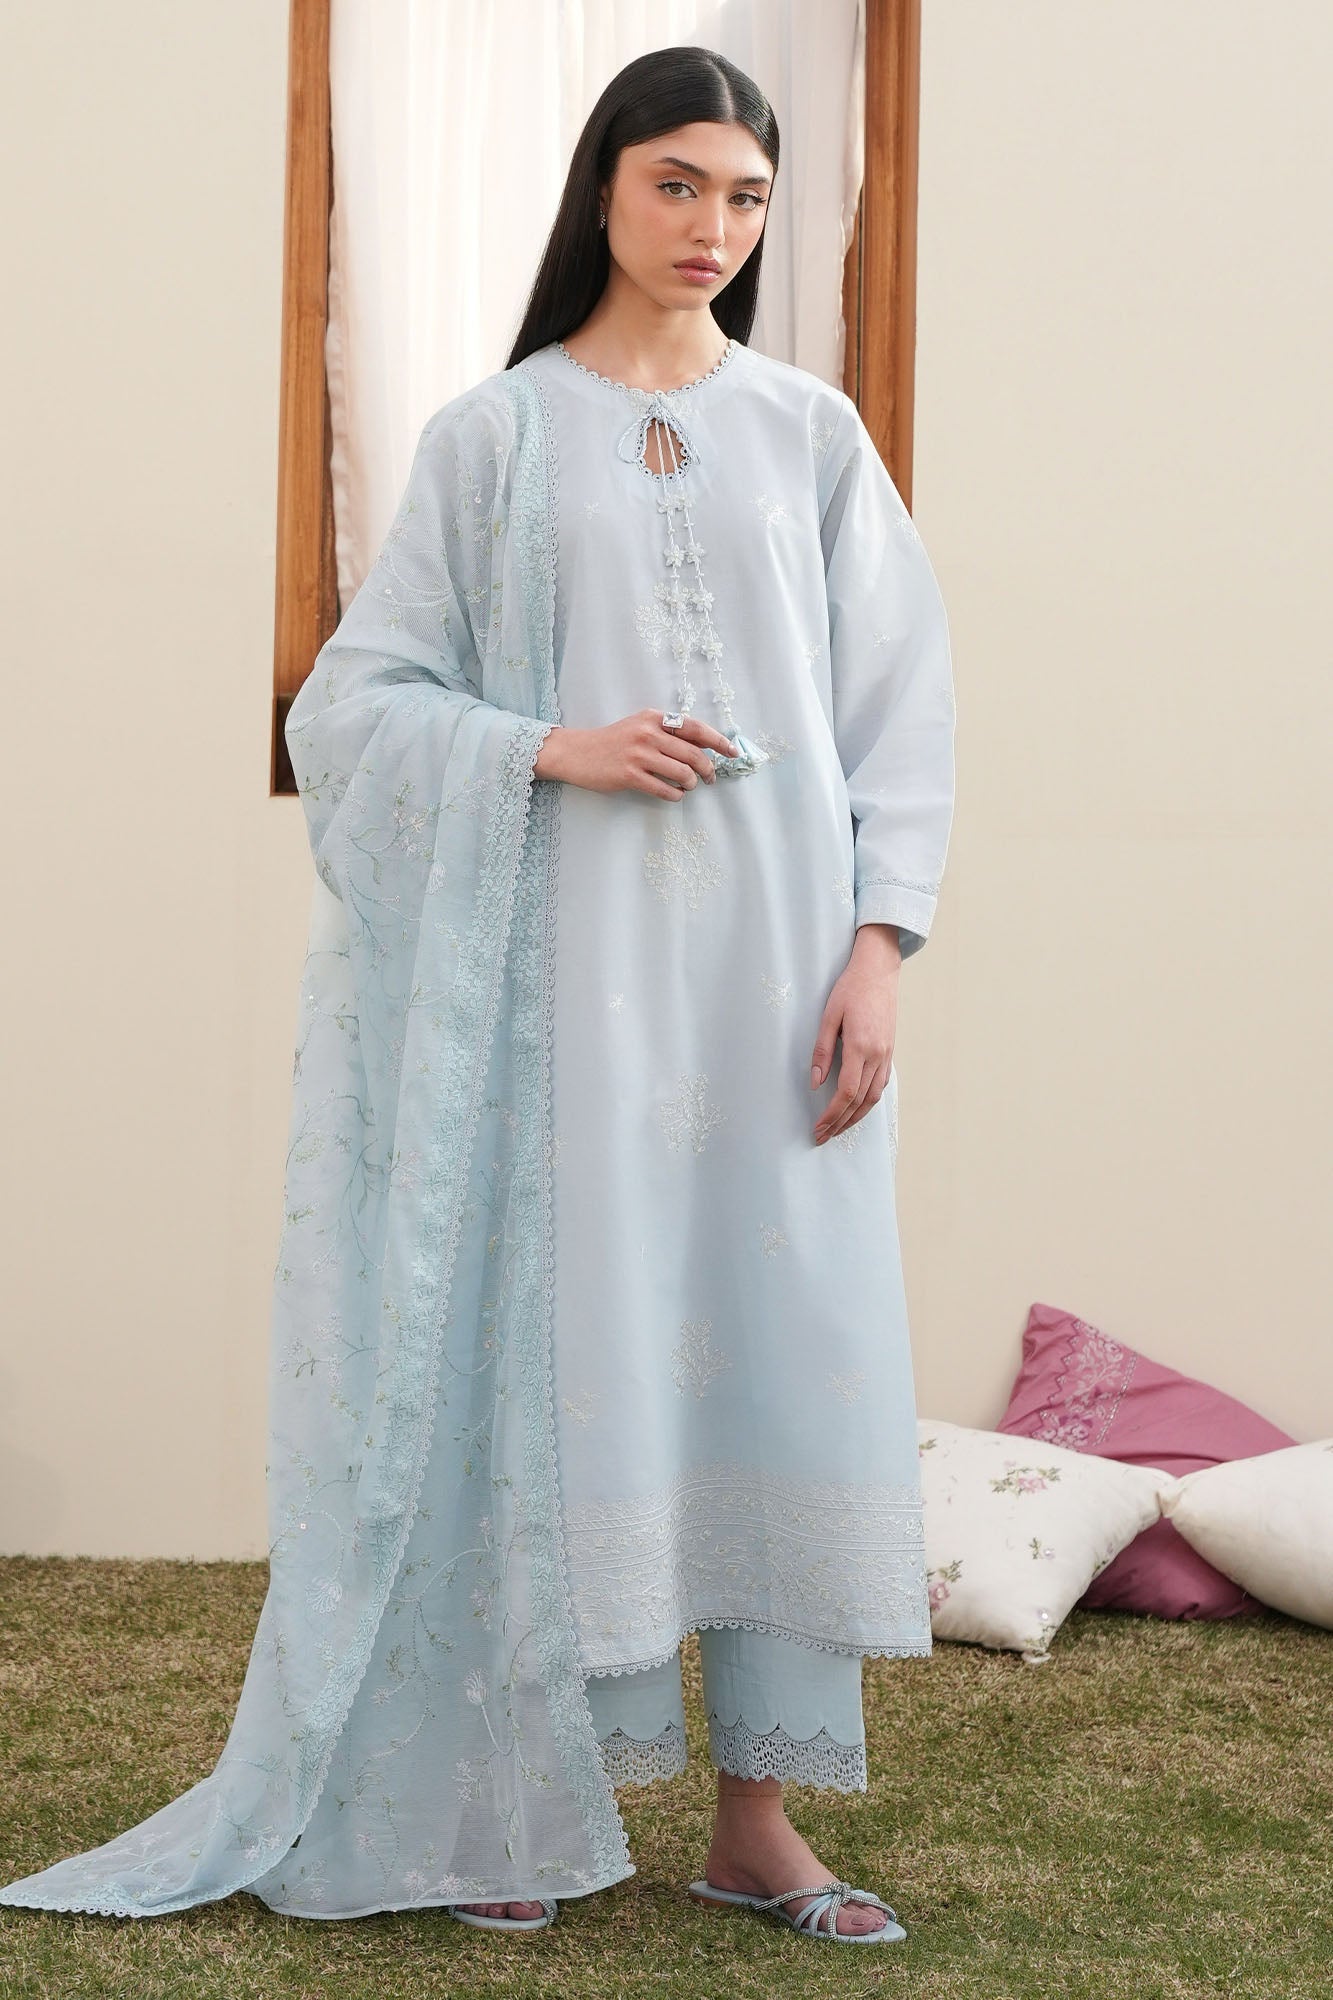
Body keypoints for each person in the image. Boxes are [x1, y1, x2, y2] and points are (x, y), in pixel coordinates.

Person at [0, 46, 954, 1947]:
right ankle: (516, 1798)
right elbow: (354, 708)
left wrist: (880, 950)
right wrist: (547, 747)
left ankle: (754, 1825)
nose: (710, 226)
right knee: (564, 1364)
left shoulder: (809, 433)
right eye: (675, 184)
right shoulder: (496, 439)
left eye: (746, 197)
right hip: (566, 1003)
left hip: (777, 990)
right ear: (603, 188)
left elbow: (898, 708)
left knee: (781, 1351)